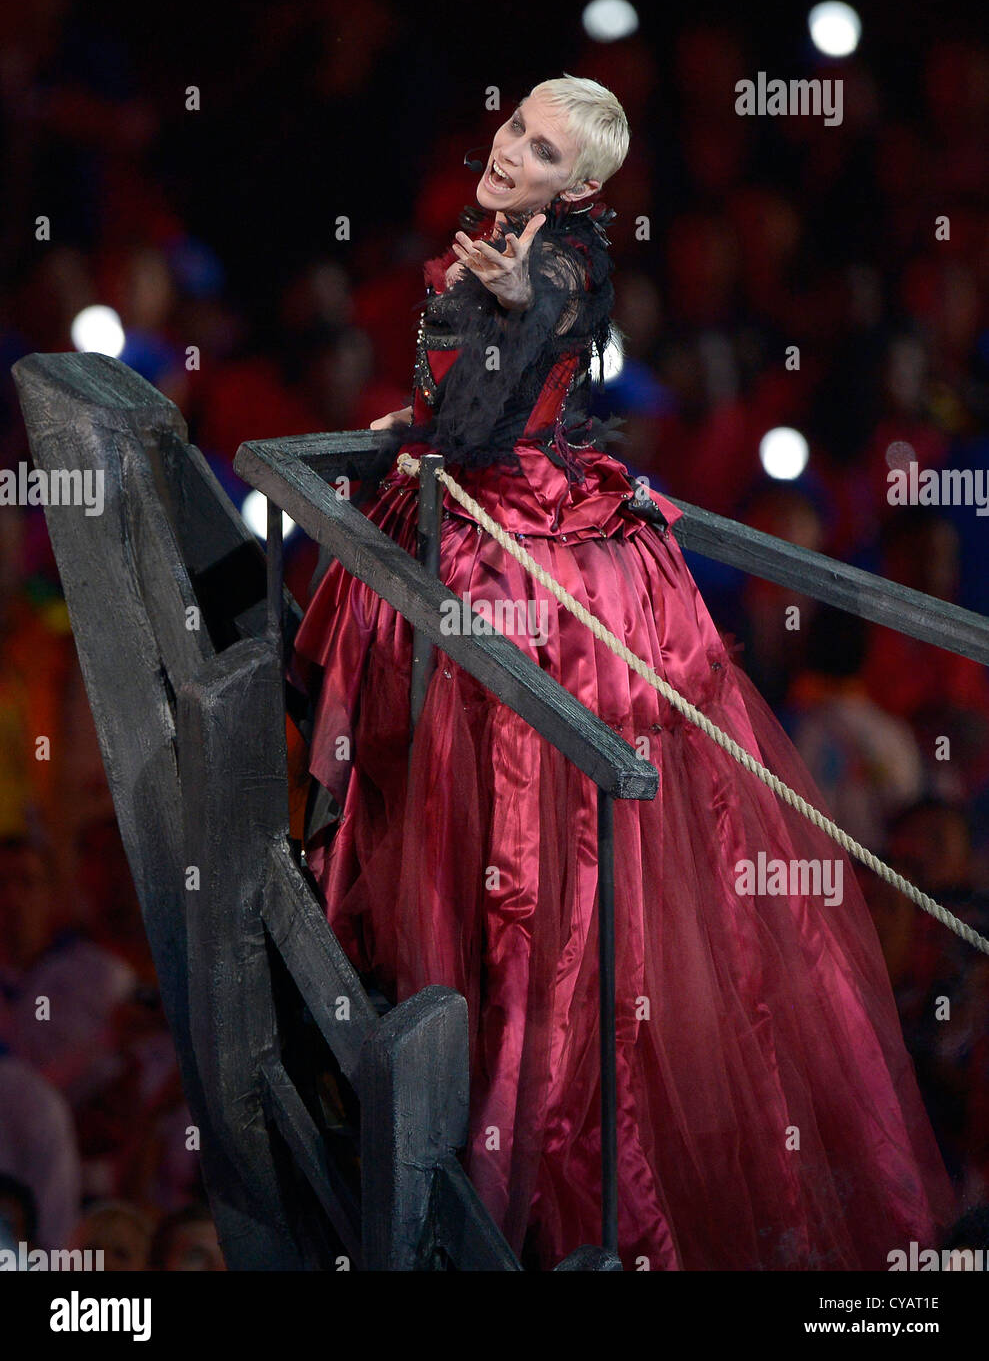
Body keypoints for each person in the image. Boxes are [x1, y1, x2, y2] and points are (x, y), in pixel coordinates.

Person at [288, 75, 956, 1270]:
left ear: (580, 185)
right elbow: (454, 413)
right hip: (495, 518)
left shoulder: (552, 266)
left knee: (536, 828)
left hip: (521, 553)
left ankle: (517, 1089)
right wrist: (418, 406)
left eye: (538, 149)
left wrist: (477, 316)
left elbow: (489, 420)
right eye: (508, 128)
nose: (507, 152)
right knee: (436, 785)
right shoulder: (520, 249)